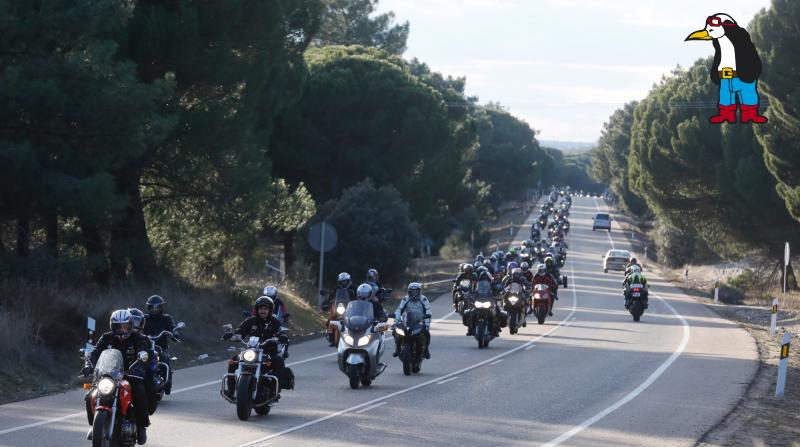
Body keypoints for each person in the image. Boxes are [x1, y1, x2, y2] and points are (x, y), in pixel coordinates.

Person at [83, 309, 153, 445]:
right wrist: (88, 364)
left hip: (130, 375)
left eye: (125, 327)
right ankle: (96, 427)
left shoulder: (139, 339)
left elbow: (145, 355)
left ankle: (141, 426)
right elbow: (95, 353)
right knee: (90, 396)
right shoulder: (106, 338)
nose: (121, 330)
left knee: (139, 392)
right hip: (108, 375)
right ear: (112, 326)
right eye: (117, 327)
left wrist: (139, 368)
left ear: (131, 326)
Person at [222, 296, 292, 398]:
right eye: (260, 309)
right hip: (251, 351)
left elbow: (282, 331)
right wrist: (233, 335)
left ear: (270, 310)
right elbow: (240, 331)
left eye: (265, 309)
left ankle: (275, 391)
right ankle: (231, 390)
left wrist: (283, 336)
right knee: (233, 361)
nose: (262, 311)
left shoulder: (275, 322)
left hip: (268, 352)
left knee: (279, 362)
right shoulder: (251, 321)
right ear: (257, 309)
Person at [143, 295, 177, 395]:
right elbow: (136, 326)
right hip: (145, 346)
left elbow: (173, 327)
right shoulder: (144, 318)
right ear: (148, 307)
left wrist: (174, 333)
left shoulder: (166, 318)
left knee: (164, 358)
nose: (154, 310)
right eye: (151, 307)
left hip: (161, 347)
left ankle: (168, 382)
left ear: (161, 307)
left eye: (157, 307)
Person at [393, 282, 431, 359]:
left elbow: (428, 311)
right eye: (412, 291)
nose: (414, 293)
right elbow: (399, 310)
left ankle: (426, 349)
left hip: (419, 321)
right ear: (409, 291)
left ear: (419, 291)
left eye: (416, 291)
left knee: (427, 333)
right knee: (395, 331)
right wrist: (396, 321)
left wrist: (427, 324)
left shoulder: (424, 299)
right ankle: (397, 348)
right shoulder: (405, 299)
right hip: (407, 321)